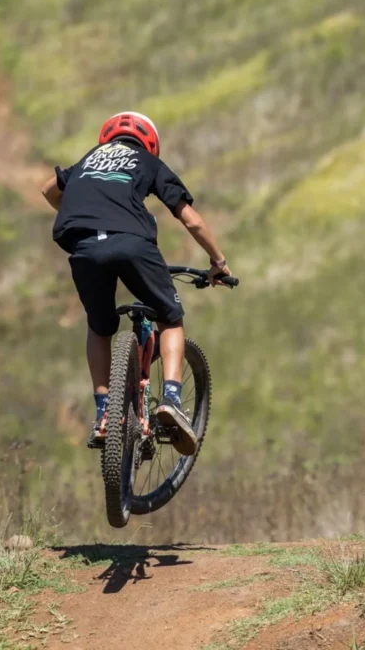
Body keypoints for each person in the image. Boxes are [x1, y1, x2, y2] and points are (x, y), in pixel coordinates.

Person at [40, 112, 233, 457]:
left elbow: (48, 189)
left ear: (107, 138)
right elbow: (191, 219)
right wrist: (218, 262)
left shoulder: (89, 159)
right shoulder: (149, 162)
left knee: (100, 328)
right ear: (150, 144)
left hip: (83, 246)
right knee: (170, 317)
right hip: (132, 242)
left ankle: (103, 415)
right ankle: (172, 399)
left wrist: (79, 210)